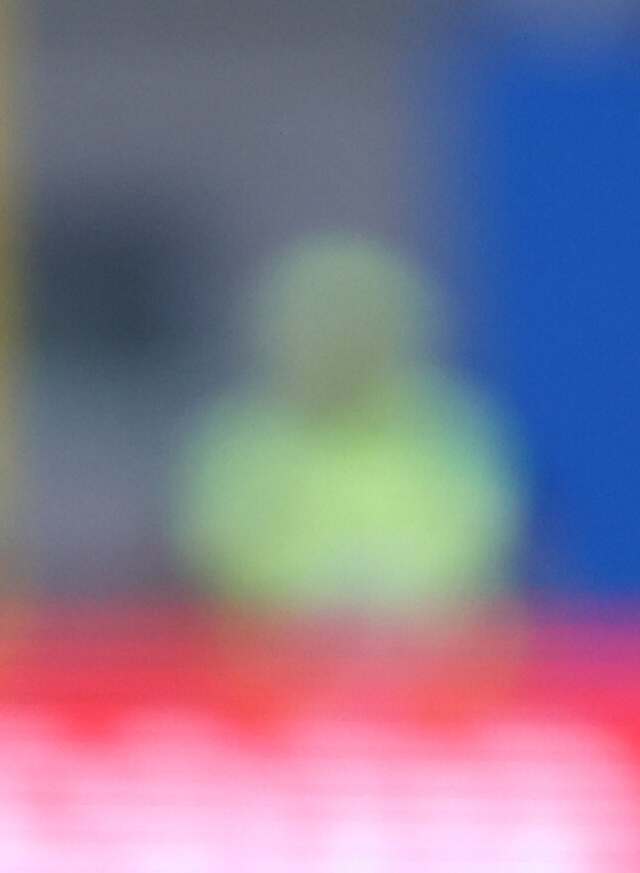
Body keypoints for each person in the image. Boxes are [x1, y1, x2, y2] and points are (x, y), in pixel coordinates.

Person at [177, 234, 521, 623]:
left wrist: (394, 598)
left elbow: (477, 536)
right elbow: (226, 546)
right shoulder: (240, 438)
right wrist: (311, 598)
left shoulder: (455, 429)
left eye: (362, 317)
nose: (340, 334)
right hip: (269, 661)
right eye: (320, 318)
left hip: (431, 659)